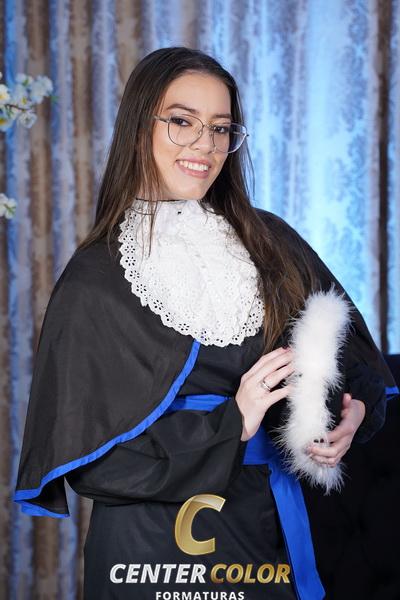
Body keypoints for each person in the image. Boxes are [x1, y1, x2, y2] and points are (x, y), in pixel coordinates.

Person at [13, 47, 398, 600]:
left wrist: (351, 413)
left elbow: (350, 361)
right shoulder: (97, 275)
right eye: (182, 121)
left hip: (266, 529)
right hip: (154, 546)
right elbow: (95, 466)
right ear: (140, 128)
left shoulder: (271, 240)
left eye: (220, 128)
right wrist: (233, 420)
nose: (205, 145)